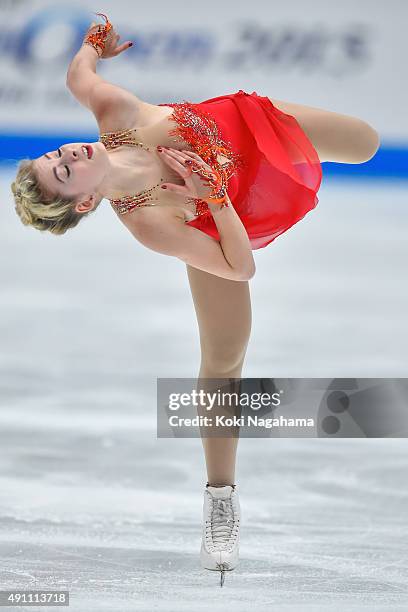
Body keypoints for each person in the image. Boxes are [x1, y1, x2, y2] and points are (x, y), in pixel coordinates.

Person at [10, 13, 380, 586]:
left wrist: (91, 45)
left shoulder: (116, 113)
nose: (70, 153)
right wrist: (215, 196)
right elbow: (241, 266)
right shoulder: (149, 222)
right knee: (224, 361)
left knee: (366, 143)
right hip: (219, 222)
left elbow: (78, 77)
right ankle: (220, 500)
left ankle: (277, 160)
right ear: (83, 204)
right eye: (63, 171)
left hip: (246, 125)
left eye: (58, 152)